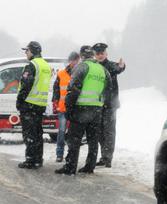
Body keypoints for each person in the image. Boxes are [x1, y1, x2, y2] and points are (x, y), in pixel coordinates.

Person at [55, 45, 111, 175]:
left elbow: (73, 88)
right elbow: (108, 91)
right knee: (93, 140)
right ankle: (90, 166)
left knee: (74, 139)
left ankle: (70, 167)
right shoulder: (102, 69)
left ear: (81, 56)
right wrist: (102, 106)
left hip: (81, 109)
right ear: (92, 54)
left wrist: (69, 108)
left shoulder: (82, 67)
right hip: (96, 110)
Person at [16, 41, 52, 169]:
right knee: (37, 133)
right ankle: (38, 159)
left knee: (29, 135)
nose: (26, 53)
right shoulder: (46, 66)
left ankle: (30, 160)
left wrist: (19, 101)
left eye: (27, 50)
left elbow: (26, 85)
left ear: (32, 51)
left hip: (29, 104)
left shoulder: (32, 65)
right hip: (40, 104)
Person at [92, 43, 125, 168]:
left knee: (109, 132)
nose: (100, 56)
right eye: (98, 54)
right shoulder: (94, 66)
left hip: (110, 105)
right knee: (99, 132)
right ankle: (103, 156)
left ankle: (107, 158)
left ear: (106, 54)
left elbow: (118, 68)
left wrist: (122, 66)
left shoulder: (110, 65)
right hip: (97, 104)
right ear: (95, 55)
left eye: (102, 53)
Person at [52, 51, 80, 162]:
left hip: (76, 108)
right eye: (72, 60)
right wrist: (55, 102)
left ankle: (71, 155)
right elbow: (56, 90)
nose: (74, 62)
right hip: (63, 109)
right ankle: (59, 154)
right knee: (61, 132)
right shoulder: (61, 74)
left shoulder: (81, 73)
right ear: (69, 61)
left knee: (73, 134)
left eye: (76, 60)